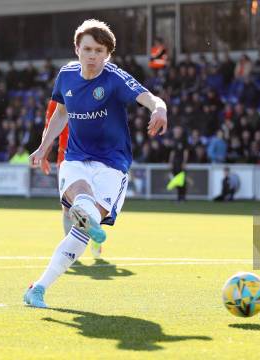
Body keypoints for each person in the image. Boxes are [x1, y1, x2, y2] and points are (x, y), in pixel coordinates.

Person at [24, 19, 167, 308]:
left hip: (112, 164)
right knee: (80, 194)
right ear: (76, 49)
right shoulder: (65, 76)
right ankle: (86, 214)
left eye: (99, 51)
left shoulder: (114, 78)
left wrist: (160, 108)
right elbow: (61, 114)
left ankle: (37, 288)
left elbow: (148, 98)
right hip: (75, 157)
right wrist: (43, 147)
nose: (92, 56)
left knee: (79, 238)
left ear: (107, 54)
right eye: (87, 49)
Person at [39, 99, 104, 258]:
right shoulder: (57, 100)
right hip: (69, 159)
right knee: (70, 206)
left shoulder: (94, 94)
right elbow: (49, 129)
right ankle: (72, 248)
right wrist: (43, 154)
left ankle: (90, 237)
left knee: (88, 204)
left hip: (91, 158)